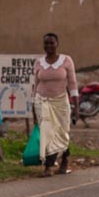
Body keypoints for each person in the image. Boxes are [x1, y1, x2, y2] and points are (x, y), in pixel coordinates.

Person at [32, 32, 78, 176]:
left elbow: (72, 83)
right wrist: (33, 105)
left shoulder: (66, 60)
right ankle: (48, 166)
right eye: (46, 43)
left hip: (60, 102)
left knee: (61, 133)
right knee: (47, 132)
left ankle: (64, 160)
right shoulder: (39, 62)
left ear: (57, 44)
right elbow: (35, 85)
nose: (49, 46)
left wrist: (76, 105)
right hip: (42, 101)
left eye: (52, 43)